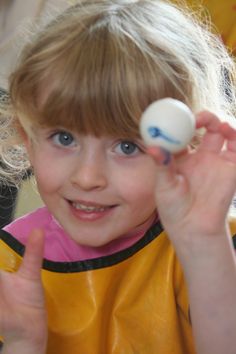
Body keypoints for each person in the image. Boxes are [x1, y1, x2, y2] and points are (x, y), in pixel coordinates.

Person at [0, 0, 236, 353]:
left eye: (127, 147)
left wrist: (203, 245)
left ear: (189, 146)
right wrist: (23, 343)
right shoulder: (9, 264)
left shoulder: (209, 244)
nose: (88, 177)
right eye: (64, 138)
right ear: (28, 138)